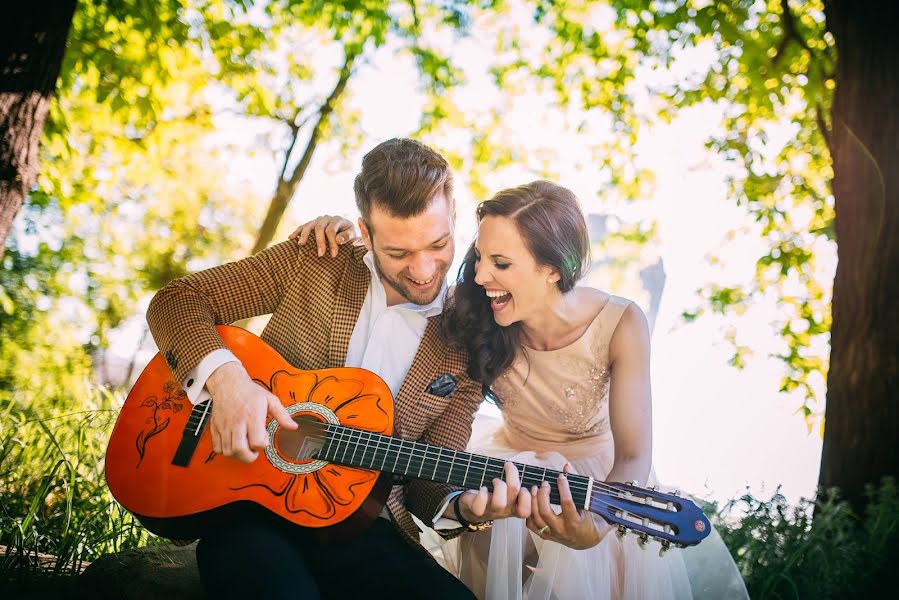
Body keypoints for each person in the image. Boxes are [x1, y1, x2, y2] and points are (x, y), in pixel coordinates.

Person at [295, 181, 748, 599]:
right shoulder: (471, 312)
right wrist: (349, 239)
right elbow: (406, 274)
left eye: (501, 264)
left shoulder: (620, 324)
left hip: (597, 485)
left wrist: (595, 526)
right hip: (509, 475)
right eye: (480, 259)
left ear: (551, 269)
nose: (478, 276)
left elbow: (632, 455)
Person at [145, 138, 532, 600]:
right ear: (365, 234)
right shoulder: (314, 261)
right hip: (248, 512)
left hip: (364, 533)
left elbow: (430, 481)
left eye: (438, 244)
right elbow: (177, 302)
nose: (424, 269)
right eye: (399, 253)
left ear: (454, 220)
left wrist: (468, 507)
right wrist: (229, 384)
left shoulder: (467, 344)